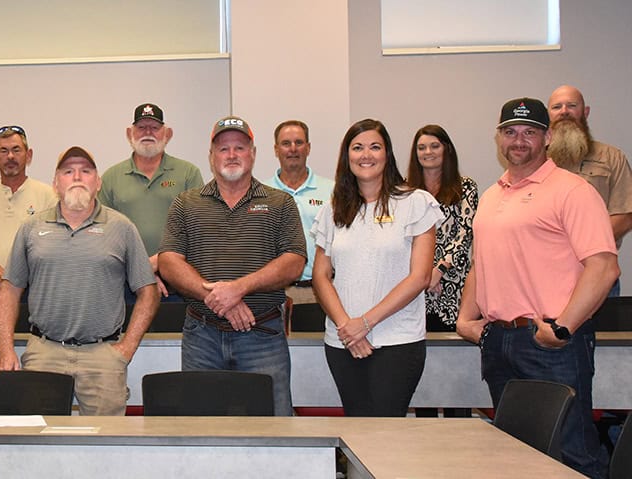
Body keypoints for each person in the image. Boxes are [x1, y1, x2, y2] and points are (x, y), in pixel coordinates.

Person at [457, 98, 619, 478]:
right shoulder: (492, 195)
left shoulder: (571, 190)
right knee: (518, 455)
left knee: (573, 452)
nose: (519, 140)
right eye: (511, 132)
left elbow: (604, 266)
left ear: (547, 137)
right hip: (499, 341)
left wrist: (562, 327)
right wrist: (465, 318)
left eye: (529, 132)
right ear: (498, 137)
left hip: (551, 342)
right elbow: (482, 263)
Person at [158, 115, 306, 416]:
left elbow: (294, 262)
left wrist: (239, 288)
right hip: (202, 336)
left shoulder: (280, 203)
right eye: (223, 149)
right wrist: (219, 299)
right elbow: (169, 261)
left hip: (262, 336)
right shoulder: (186, 203)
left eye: (240, 147)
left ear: (252, 153)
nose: (232, 155)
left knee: (274, 425)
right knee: (200, 426)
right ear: (211, 157)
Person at [0, 146, 159, 416]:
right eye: (68, 171)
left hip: (103, 356)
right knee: (39, 441)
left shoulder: (121, 227)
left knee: (106, 445)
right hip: (43, 354)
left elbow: (148, 292)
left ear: (98, 183)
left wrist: (126, 348)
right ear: (55, 184)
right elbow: (10, 289)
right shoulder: (32, 227)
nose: (77, 177)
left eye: (86, 171)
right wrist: (6, 349)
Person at [311, 118, 441, 417]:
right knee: (357, 430)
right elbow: (321, 276)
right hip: (343, 342)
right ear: (347, 156)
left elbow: (420, 277)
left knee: (386, 431)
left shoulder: (415, 202)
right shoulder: (333, 209)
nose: (365, 154)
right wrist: (347, 327)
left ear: (387, 154)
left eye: (374, 147)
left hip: (397, 341)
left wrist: (365, 323)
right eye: (357, 148)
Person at [406, 124, 478, 419]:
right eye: (422, 147)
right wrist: (423, 274)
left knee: (453, 370)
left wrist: (439, 270)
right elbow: (403, 236)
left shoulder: (466, 187)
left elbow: (466, 233)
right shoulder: (405, 191)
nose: (428, 152)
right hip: (416, 289)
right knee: (423, 370)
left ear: (446, 149)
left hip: (454, 289)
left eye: (434, 146)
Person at [100, 103, 204, 300]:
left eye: (154, 128)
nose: (148, 132)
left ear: (168, 133)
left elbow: (197, 230)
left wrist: (160, 264)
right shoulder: (111, 177)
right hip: (125, 283)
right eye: (141, 127)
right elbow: (102, 235)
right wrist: (141, 271)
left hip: (178, 284)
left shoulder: (188, 173)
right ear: (129, 133)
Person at [547, 84, 632, 296]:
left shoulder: (611, 157)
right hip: (546, 275)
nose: (564, 111)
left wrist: (582, 245)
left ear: (585, 112)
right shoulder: (536, 160)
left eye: (572, 105)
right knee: (545, 330)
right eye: (557, 107)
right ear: (549, 115)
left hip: (598, 273)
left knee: (600, 330)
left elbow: (624, 214)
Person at [0, 125, 56, 274]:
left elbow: (53, 248)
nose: (10, 156)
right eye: (3, 151)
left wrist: (16, 281)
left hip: (32, 287)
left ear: (28, 155)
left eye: (16, 150)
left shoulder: (48, 195)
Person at [269, 120, 334, 304]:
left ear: (308, 148)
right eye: (286, 143)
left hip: (322, 290)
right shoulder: (262, 192)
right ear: (276, 149)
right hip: (276, 293)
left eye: (299, 142)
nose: (293, 149)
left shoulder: (332, 191)